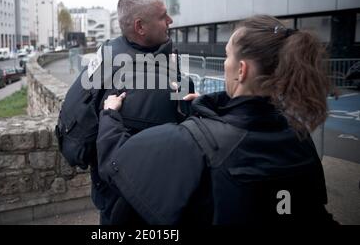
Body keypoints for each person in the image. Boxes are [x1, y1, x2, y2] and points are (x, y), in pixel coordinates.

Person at [97, 15, 337, 225]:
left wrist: (110, 115)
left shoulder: (188, 144)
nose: (225, 64)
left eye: (227, 56)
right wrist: (217, 115)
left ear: (241, 70)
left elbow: (117, 164)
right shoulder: (299, 137)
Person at [73, 0, 192, 225]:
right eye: (163, 16)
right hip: (138, 203)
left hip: (106, 194)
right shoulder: (147, 78)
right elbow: (182, 134)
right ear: (140, 27)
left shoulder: (109, 54)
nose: (170, 21)